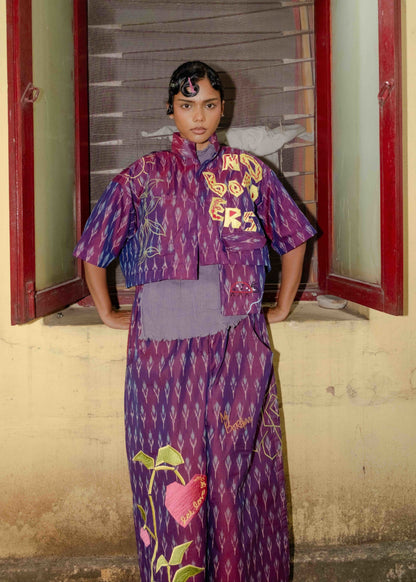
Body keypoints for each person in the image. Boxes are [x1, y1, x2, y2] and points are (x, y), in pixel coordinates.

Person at [74, 61, 315, 582]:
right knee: (173, 471)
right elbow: (94, 248)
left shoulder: (250, 174)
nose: (198, 117)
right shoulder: (142, 177)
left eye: (208, 105)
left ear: (223, 108)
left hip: (237, 342)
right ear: (171, 110)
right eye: (187, 106)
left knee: (237, 470)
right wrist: (107, 310)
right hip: (162, 353)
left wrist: (283, 304)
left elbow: (294, 238)